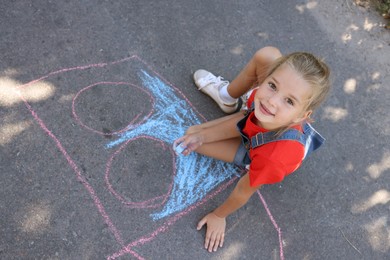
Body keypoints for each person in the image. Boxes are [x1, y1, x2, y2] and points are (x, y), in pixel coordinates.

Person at [173, 46, 331, 253]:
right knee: (267, 55)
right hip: (260, 127)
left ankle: (231, 119)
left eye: (289, 101)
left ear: (302, 116)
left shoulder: (273, 159)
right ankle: (226, 98)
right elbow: (247, 120)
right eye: (273, 85)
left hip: (260, 152)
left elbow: (243, 190)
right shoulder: (263, 99)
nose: (272, 101)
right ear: (265, 79)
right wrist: (203, 134)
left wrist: (219, 215)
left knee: (193, 136)